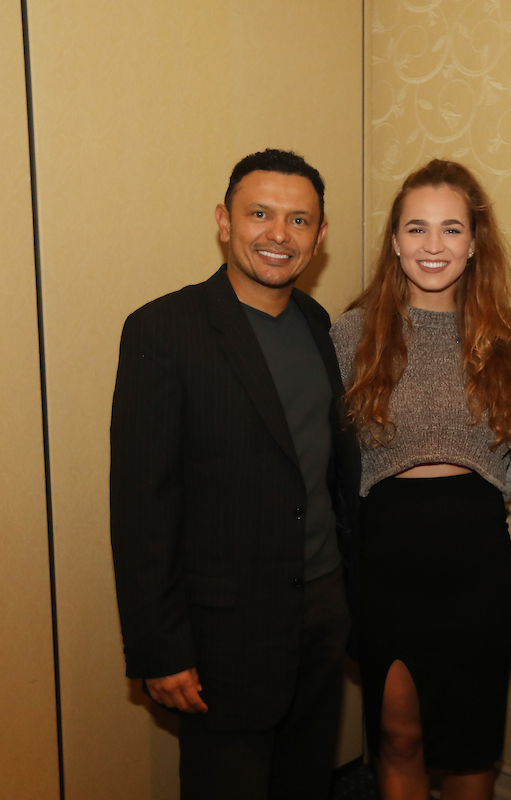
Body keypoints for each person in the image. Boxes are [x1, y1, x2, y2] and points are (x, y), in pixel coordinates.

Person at [109, 149, 361, 799]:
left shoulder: (315, 323)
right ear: (224, 221)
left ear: (320, 236)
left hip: (321, 616)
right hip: (224, 636)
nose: (279, 234)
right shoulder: (163, 331)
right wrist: (159, 649)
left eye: (299, 220)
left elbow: (327, 471)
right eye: (260, 214)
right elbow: (142, 506)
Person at [331, 159, 511, 800]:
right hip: (387, 565)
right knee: (399, 737)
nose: (433, 245)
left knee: (472, 749)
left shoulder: (507, 335)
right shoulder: (354, 333)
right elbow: (329, 458)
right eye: (417, 228)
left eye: (451, 229)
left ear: (475, 243)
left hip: (477, 567)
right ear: (394, 241)